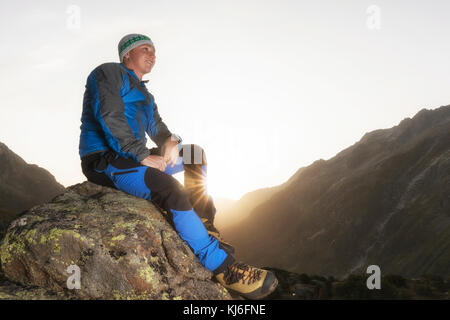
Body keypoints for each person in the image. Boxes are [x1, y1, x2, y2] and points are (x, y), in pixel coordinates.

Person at [79, 33, 278, 299]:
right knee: (170, 188)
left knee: (195, 154)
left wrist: (171, 142)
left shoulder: (145, 94)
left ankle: (203, 221)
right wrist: (140, 155)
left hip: (133, 154)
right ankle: (225, 269)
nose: (152, 55)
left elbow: (158, 128)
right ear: (127, 54)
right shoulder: (108, 72)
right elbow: (109, 113)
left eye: (154, 51)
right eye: (145, 49)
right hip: (104, 158)